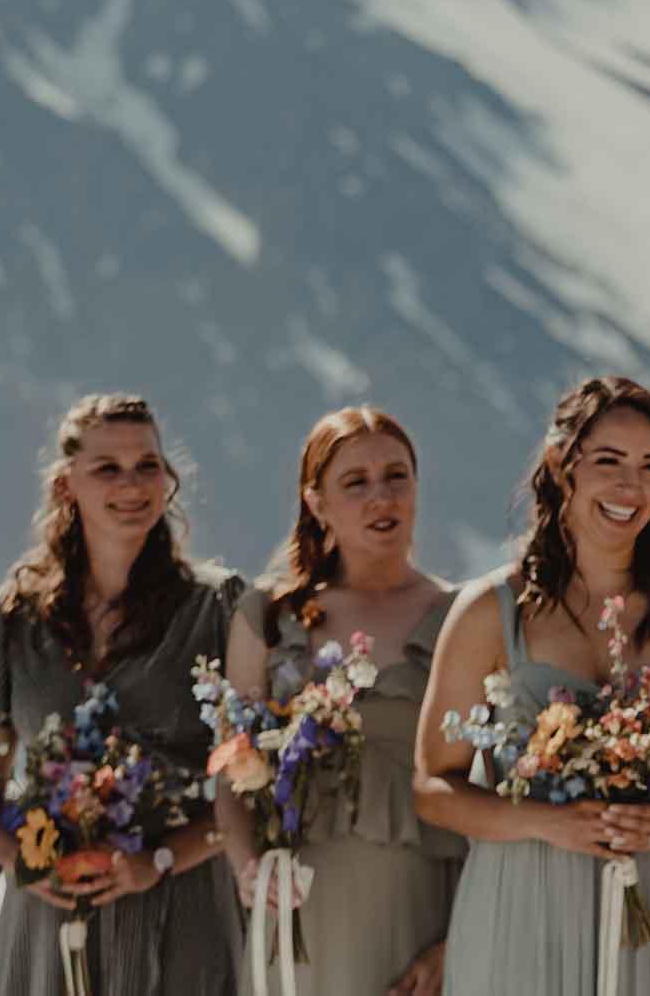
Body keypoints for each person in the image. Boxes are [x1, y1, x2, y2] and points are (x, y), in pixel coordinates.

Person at [415, 377, 650, 996]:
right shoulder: (490, 610)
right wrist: (547, 822)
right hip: (524, 898)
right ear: (559, 466)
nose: (632, 487)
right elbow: (434, 787)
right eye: (609, 462)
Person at [0, 394, 242, 996]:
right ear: (66, 487)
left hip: (179, 911)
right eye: (107, 468)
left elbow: (250, 788)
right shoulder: (14, 616)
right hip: (43, 918)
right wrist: (25, 863)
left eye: (147, 465)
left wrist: (159, 862)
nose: (132, 484)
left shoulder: (217, 607)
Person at [215, 407, 462, 996]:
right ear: (317, 501)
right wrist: (249, 868)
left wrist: (458, 946)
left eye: (397, 476)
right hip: (298, 915)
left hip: (424, 916)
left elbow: (491, 788)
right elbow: (229, 770)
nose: (382, 497)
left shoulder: (462, 618)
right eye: (356, 482)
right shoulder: (266, 617)